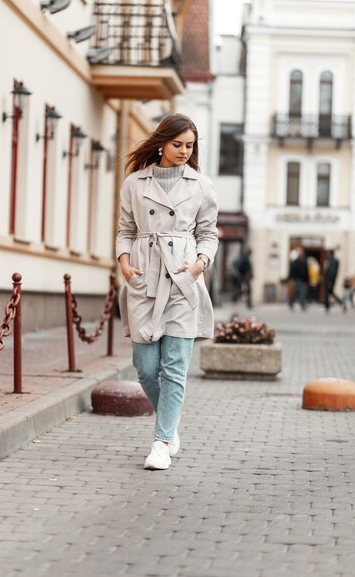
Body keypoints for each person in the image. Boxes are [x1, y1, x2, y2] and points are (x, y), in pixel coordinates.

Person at [116, 114, 218, 471]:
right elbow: (125, 229)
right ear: (162, 142)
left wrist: (200, 263)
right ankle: (169, 422)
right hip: (144, 276)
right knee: (145, 367)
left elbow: (209, 232)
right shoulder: (134, 183)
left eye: (189, 146)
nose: (184, 152)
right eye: (178, 145)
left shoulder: (200, 184)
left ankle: (161, 442)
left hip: (182, 277)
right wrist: (125, 263)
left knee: (174, 367)